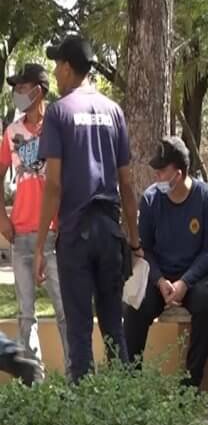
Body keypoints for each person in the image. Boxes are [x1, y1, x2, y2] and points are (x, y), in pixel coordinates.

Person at [36, 34, 141, 384]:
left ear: (68, 67)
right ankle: (124, 402)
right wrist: (134, 241)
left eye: (57, 65)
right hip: (110, 233)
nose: (54, 72)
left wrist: (40, 245)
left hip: (75, 234)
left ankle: (83, 409)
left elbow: (53, 185)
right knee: (114, 328)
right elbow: (126, 183)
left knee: (80, 331)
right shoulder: (114, 111)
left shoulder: (58, 112)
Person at [124, 138, 208, 390]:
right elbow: (145, 250)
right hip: (160, 277)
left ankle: (190, 385)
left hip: (196, 276)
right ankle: (129, 383)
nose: (156, 176)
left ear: (178, 174)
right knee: (135, 306)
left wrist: (185, 282)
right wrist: (159, 280)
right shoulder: (150, 199)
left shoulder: (206, 198)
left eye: (162, 171)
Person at [2, 64, 69, 372]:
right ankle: (33, 379)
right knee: (26, 314)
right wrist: (2, 218)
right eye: (15, 88)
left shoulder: (58, 125)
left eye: (22, 87)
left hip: (55, 234)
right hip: (21, 234)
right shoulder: (11, 132)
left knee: (64, 310)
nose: (17, 93)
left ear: (38, 91)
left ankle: (76, 377)